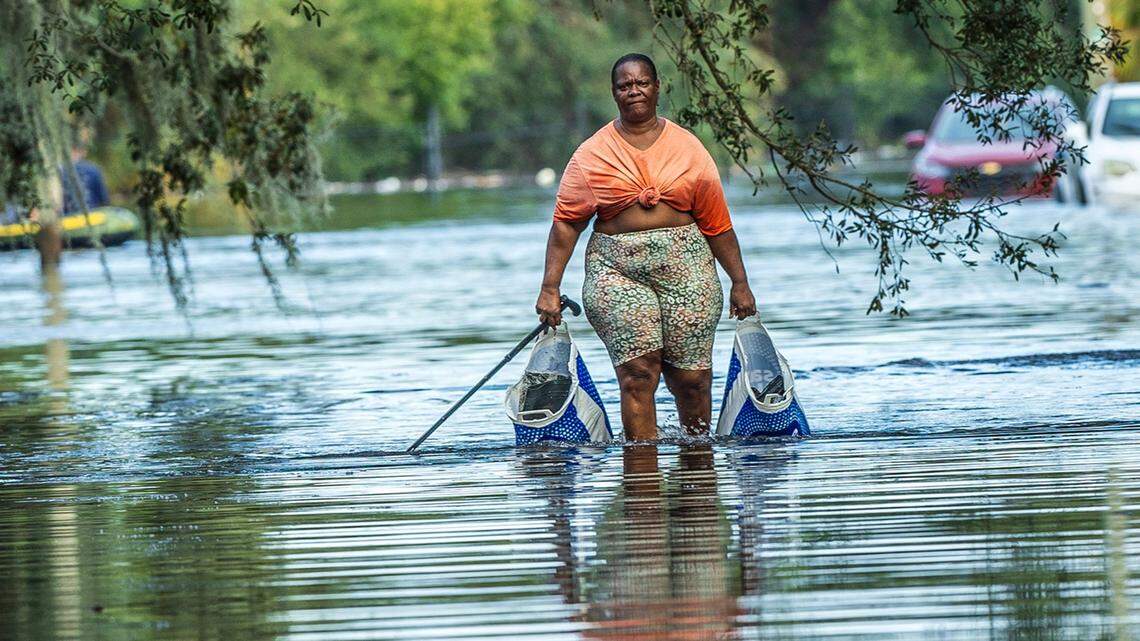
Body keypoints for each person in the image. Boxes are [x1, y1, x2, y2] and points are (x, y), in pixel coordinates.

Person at [535, 53, 757, 440]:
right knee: (639, 373)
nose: (633, 90)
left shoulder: (689, 149)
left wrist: (740, 282)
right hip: (616, 272)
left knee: (692, 379)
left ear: (657, 87)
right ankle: (642, 480)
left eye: (641, 83)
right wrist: (549, 288)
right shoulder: (591, 155)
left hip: (687, 268)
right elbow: (567, 224)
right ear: (614, 93)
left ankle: (698, 464)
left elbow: (718, 225)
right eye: (625, 85)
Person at [61, 140, 110, 214]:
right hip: (93, 216)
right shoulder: (94, 169)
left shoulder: (59, 171)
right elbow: (104, 200)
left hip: (68, 219)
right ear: (84, 152)